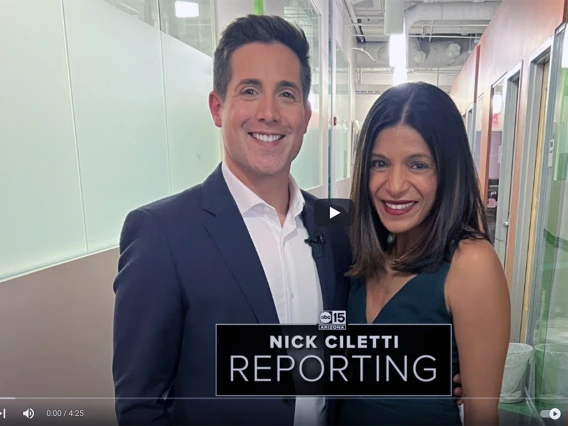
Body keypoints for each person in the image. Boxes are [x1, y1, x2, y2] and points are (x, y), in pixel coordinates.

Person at [112, 15, 463, 426]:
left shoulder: (338, 223)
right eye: (249, 90)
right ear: (217, 107)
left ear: (305, 114)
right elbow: (140, 406)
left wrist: (438, 369)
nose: (269, 113)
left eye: (286, 94)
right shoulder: (161, 233)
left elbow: (393, 291)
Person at [337, 82, 510, 426]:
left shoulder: (470, 263)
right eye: (379, 163)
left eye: (418, 165)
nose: (395, 185)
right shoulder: (366, 255)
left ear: (448, 170)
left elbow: (481, 414)